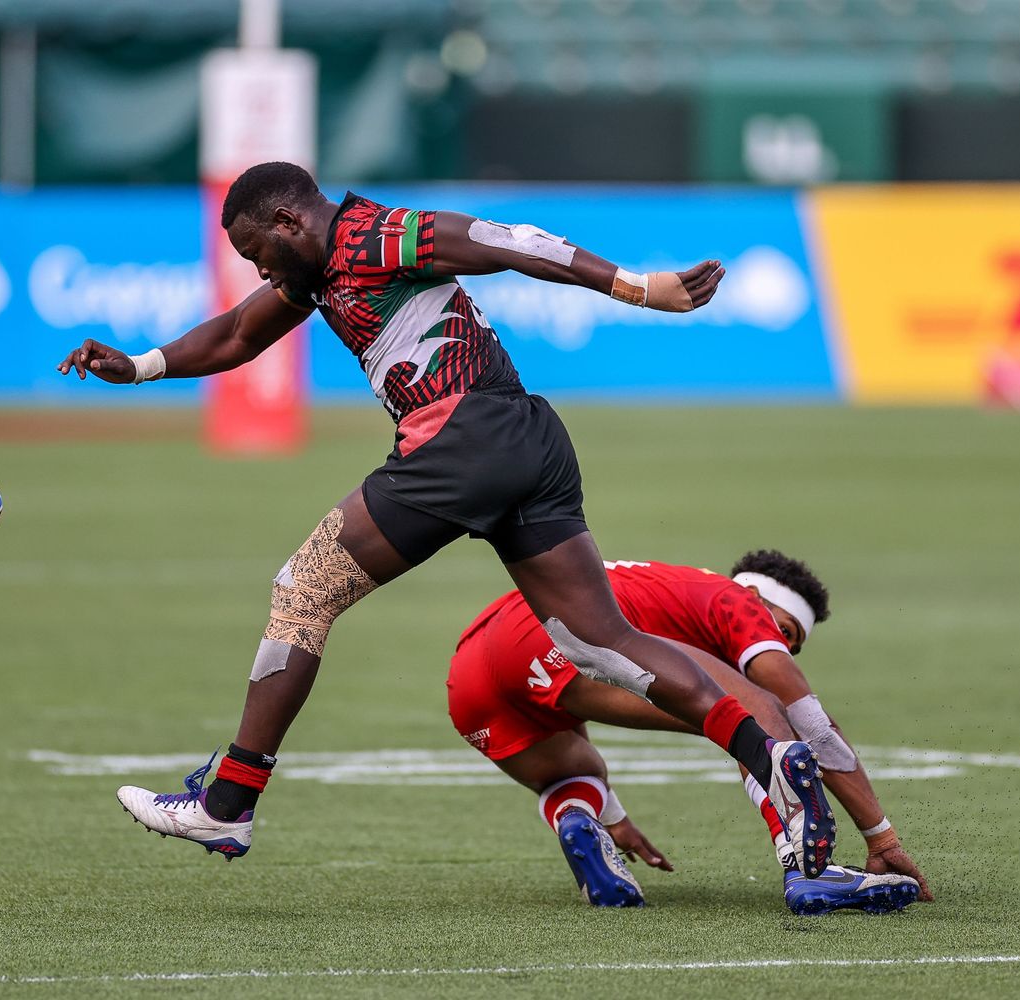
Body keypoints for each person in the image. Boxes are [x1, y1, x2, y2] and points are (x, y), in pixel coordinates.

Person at [58, 161, 838, 878]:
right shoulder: (321, 267)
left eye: (255, 249)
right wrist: (141, 366)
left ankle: (226, 806)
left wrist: (638, 288)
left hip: (460, 436)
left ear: (290, 222)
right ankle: (767, 753)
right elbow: (235, 334)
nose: (255, 268)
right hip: (528, 438)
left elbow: (506, 239)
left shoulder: (372, 232)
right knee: (599, 642)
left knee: (303, 591)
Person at [447, 550, 930, 914]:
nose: (781, 650)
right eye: (785, 633)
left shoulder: (671, 593)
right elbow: (814, 727)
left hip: (474, 670)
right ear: (760, 601)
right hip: (554, 633)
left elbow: (563, 694)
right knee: (760, 713)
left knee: (576, 769)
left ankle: (578, 815)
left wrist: (612, 817)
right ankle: (812, 872)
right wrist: (881, 839)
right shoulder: (738, 601)